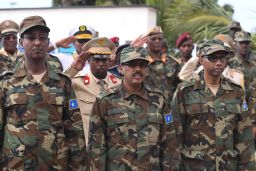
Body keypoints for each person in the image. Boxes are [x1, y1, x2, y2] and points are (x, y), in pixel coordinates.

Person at [0, 15, 86, 170]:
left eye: (42, 38)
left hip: (55, 165)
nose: (37, 42)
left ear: (48, 42)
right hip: (16, 166)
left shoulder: (63, 83)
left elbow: (75, 132)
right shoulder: (6, 83)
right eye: (31, 38)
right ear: (21, 42)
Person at [87, 46, 180, 170]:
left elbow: (170, 144)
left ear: (147, 69)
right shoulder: (105, 100)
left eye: (142, 65)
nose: (137, 69)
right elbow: (96, 147)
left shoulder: (159, 100)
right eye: (131, 64)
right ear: (120, 68)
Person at [171, 39, 256, 170]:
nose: (219, 63)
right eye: (213, 58)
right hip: (195, 166)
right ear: (201, 61)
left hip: (227, 165)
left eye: (223, 58)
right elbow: (174, 135)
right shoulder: (185, 92)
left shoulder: (237, 92)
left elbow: (244, 137)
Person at [68, 37, 121, 144]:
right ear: (88, 61)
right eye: (96, 60)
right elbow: (57, 87)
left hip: (114, 146)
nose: (100, 63)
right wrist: (73, 69)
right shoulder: (78, 82)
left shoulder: (120, 83)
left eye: (104, 60)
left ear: (110, 60)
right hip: (88, 145)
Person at [144, 26, 181, 102]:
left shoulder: (172, 62)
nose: (157, 41)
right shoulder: (140, 61)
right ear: (146, 41)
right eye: (153, 39)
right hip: (147, 106)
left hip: (169, 108)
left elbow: (180, 84)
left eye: (160, 39)